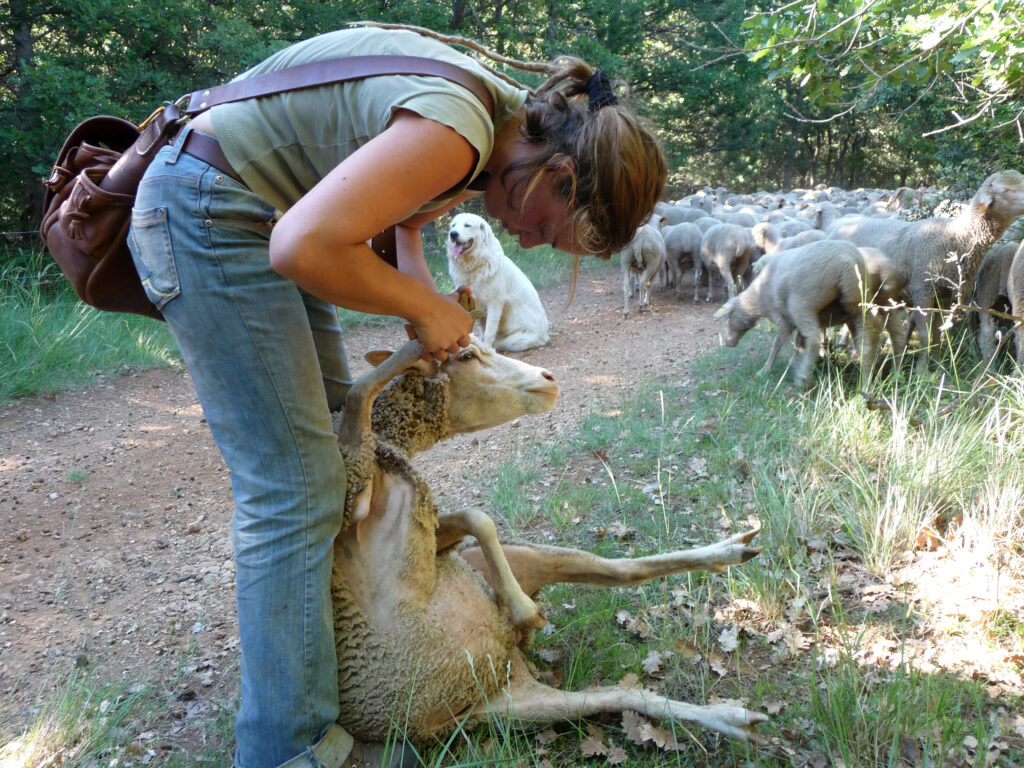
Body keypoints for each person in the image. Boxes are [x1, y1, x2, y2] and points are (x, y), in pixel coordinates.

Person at [128, 21, 666, 768]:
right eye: (549, 228)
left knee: (332, 453)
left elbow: (401, 229)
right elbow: (302, 247)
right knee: (295, 483)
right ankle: (292, 750)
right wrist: (423, 309)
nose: (533, 244)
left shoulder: (483, 133)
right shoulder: (458, 133)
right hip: (214, 212)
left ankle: (321, 683)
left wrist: (420, 295)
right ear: (559, 173)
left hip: (247, 210)